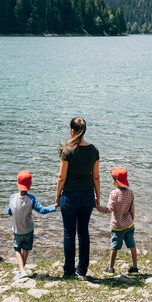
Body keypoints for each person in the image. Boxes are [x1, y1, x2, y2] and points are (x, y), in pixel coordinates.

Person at [55, 117, 100, 279]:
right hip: (87, 195)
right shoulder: (93, 150)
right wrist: (98, 197)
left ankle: (69, 271)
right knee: (83, 232)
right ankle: (82, 270)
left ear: (72, 131)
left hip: (69, 196)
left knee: (69, 233)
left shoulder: (67, 151)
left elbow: (61, 177)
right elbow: (96, 177)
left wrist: (57, 196)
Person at [8, 169, 56, 279]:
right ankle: (21, 270)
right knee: (26, 249)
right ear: (30, 185)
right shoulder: (31, 199)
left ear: (17, 183)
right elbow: (42, 210)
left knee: (17, 249)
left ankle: (21, 271)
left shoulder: (12, 197)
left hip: (17, 230)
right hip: (28, 230)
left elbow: (9, 211)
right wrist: (55, 206)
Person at [96, 166, 138, 276]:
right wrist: (132, 219)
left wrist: (97, 206)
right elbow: (131, 208)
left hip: (117, 226)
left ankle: (110, 268)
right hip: (129, 224)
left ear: (117, 182)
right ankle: (135, 267)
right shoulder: (130, 192)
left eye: (113, 179)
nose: (112, 181)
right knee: (132, 245)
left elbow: (108, 210)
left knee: (114, 247)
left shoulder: (114, 193)